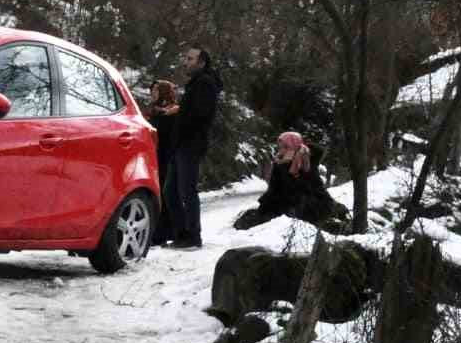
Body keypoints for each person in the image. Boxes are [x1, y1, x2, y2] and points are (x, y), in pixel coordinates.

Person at [232, 131, 349, 231]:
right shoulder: (279, 163)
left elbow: (316, 187)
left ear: (295, 146)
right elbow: (274, 188)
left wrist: (329, 205)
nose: (282, 150)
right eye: (281, 146)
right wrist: (264, 205)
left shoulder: (306, 161)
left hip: (306, 205)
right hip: (285, 204)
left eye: (286, 146)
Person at [168, 47, 223, 248]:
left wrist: (181, 114)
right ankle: (182, 233)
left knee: (186, 191)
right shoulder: (197, 83)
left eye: (190, 59)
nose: (186, 62)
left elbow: (201, 114)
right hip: (182, 143)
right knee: (171, 191)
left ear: (201, 63)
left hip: (190, 144)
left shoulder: (205, 83)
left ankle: (193, 236)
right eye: (186, 58)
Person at [146, 79, 180, 245]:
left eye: (156, 91)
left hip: (166, 157)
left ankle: (165, 232)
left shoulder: (172, 113)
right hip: (152, 156)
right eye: (152, 91)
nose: (152, 94)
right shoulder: (153, 111)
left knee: (165, 195)